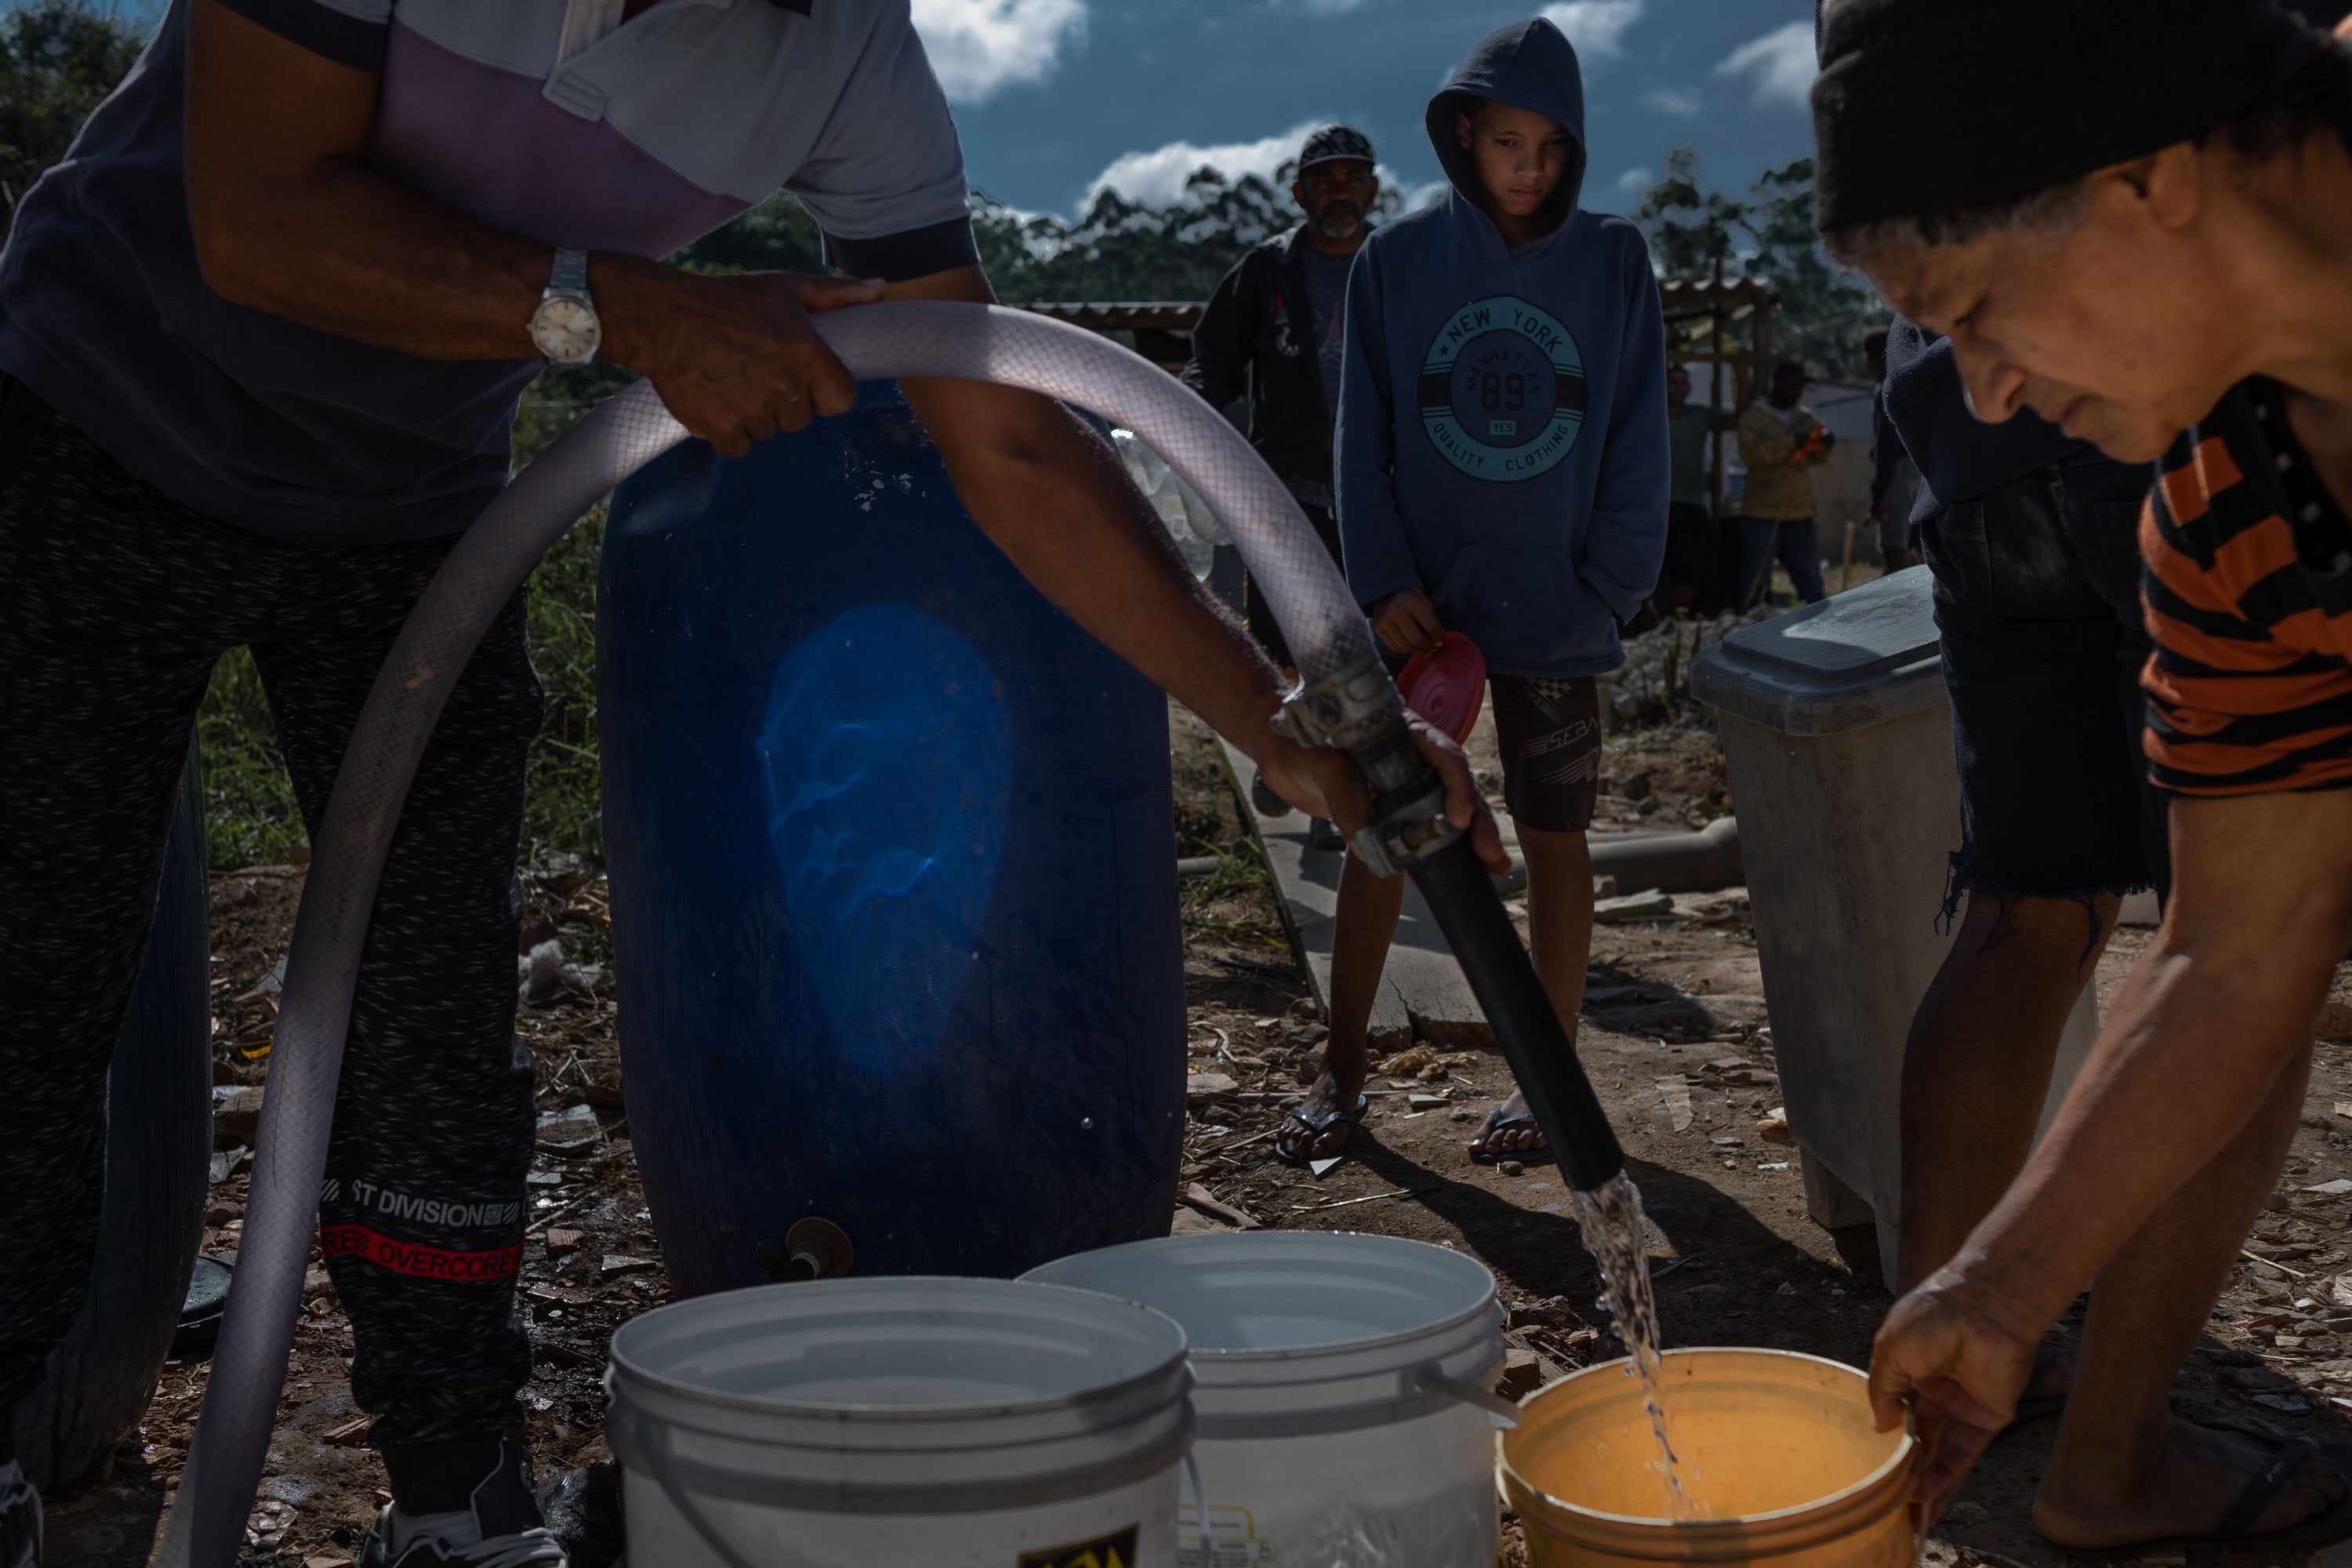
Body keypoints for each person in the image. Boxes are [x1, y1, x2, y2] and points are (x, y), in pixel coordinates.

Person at [0, 5, 1504, 1565]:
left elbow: (1006, 439)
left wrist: (1285, 735)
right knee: (34, 978)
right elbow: (255, 217)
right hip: (99, 419)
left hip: (407, 511)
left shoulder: (847, 59)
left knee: (432, 1015)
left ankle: (455, 1494)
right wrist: (627, 312)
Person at [1813, 0, 2352, 1548]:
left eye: (1972, 305)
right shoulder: (2226, 515)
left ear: (2150, 176)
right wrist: (1998, 1286)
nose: (1973, 393)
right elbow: (2238, 940)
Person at [1272, 15, 1668, 1167]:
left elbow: (1640, 428)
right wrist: (1383, 578)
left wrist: (1613, 581)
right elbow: (1367, 435)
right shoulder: (1398, 262)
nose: (1529, 166)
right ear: (1462, 137)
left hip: (1562, 608)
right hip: (1423, 617)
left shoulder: (1612, 261)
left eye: (1550, 144)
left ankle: (1549, 1086)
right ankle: (1341, 1070)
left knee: (1556, 841)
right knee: (1381, 837)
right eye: (1505, 140)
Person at [1184, 125, 1381, 851]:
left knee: (1360, 646)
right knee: (1284, 643)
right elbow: (1212, 359)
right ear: (1300, 195)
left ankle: (1340, 793)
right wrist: (1184, 421)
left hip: (1373, 496)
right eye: (1324, 181)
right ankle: (1294, 759)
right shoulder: (1269, 272)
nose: (1340, 192)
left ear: (1373, 189)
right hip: (1287, 492)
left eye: (1352, 178)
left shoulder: (1396, 267)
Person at [1733, 361, 1834, 608]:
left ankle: (1820, 628)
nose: (1796, 392)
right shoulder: (1754, 418)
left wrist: (1825, 445)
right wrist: (1790, 443)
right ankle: (1746, 624)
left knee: (1810, 580)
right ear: (1777, 385)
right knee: (1755, 580)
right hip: (1762, 512)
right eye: (1792, 386)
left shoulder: (1805, 418)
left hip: (1800, 512)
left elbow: (1816, 459)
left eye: (1800, 387)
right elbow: (1752, 455)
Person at [1662, 362, 1739, 613]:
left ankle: (1674, 620)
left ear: (1689, 387)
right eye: (1672, 382)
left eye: (1682, 382)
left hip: (1690, 506)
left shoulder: (1700, 415)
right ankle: (1653, 619)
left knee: (1692, 569)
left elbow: (1739, 419)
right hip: (1656, 505)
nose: (1677, 387)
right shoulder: (1651, 414)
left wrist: (1743, 374)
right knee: (1655, 570)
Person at [1863, 327, 1922, 574]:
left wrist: (1878, 494)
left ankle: (1897, 605)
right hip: (1923, 468)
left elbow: (1886, 446)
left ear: (1871, 361)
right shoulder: (1915, 380)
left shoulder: (1885, 388)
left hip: (1897, 472)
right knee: (1919, 543)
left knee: (1893, 546)